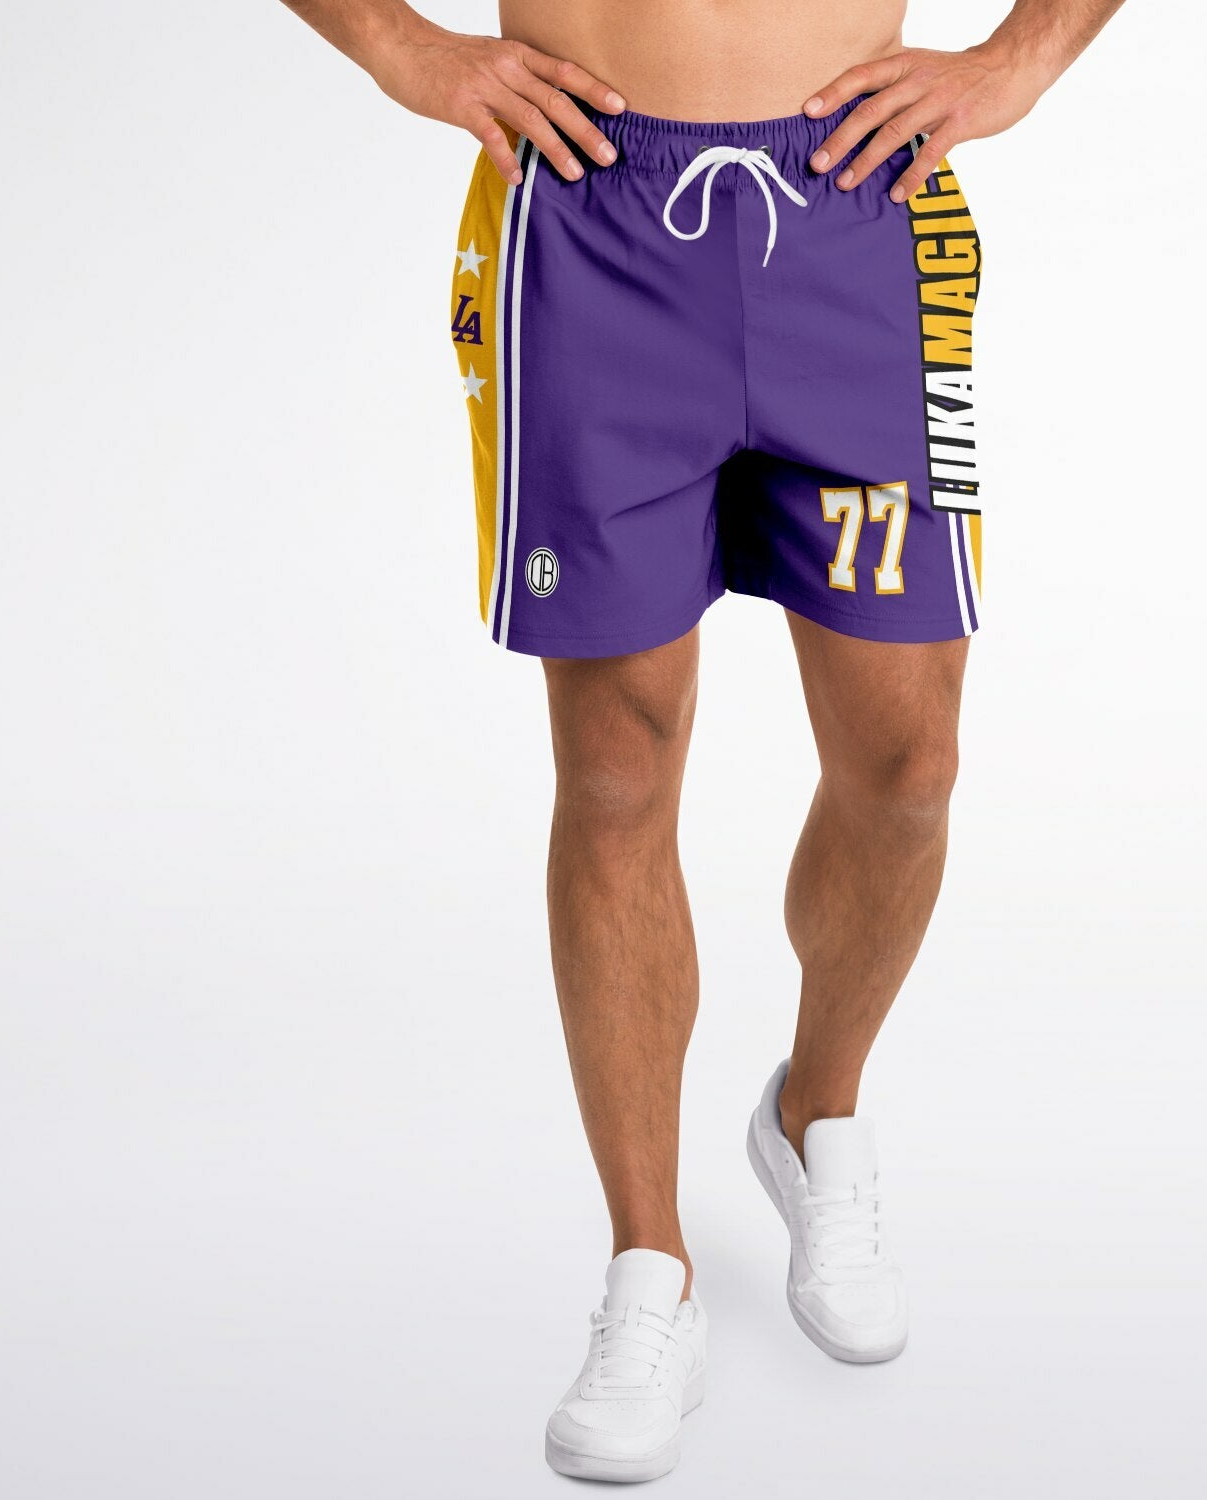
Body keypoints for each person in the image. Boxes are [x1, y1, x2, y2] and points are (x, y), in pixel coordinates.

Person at [281, 0, 1124, 1481]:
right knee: (615, 768)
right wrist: (400, 45)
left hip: (859, 216)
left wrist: (1025, 55)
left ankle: (813, 1115)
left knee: (908, 767)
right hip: (589, 223)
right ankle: (650, 1268)